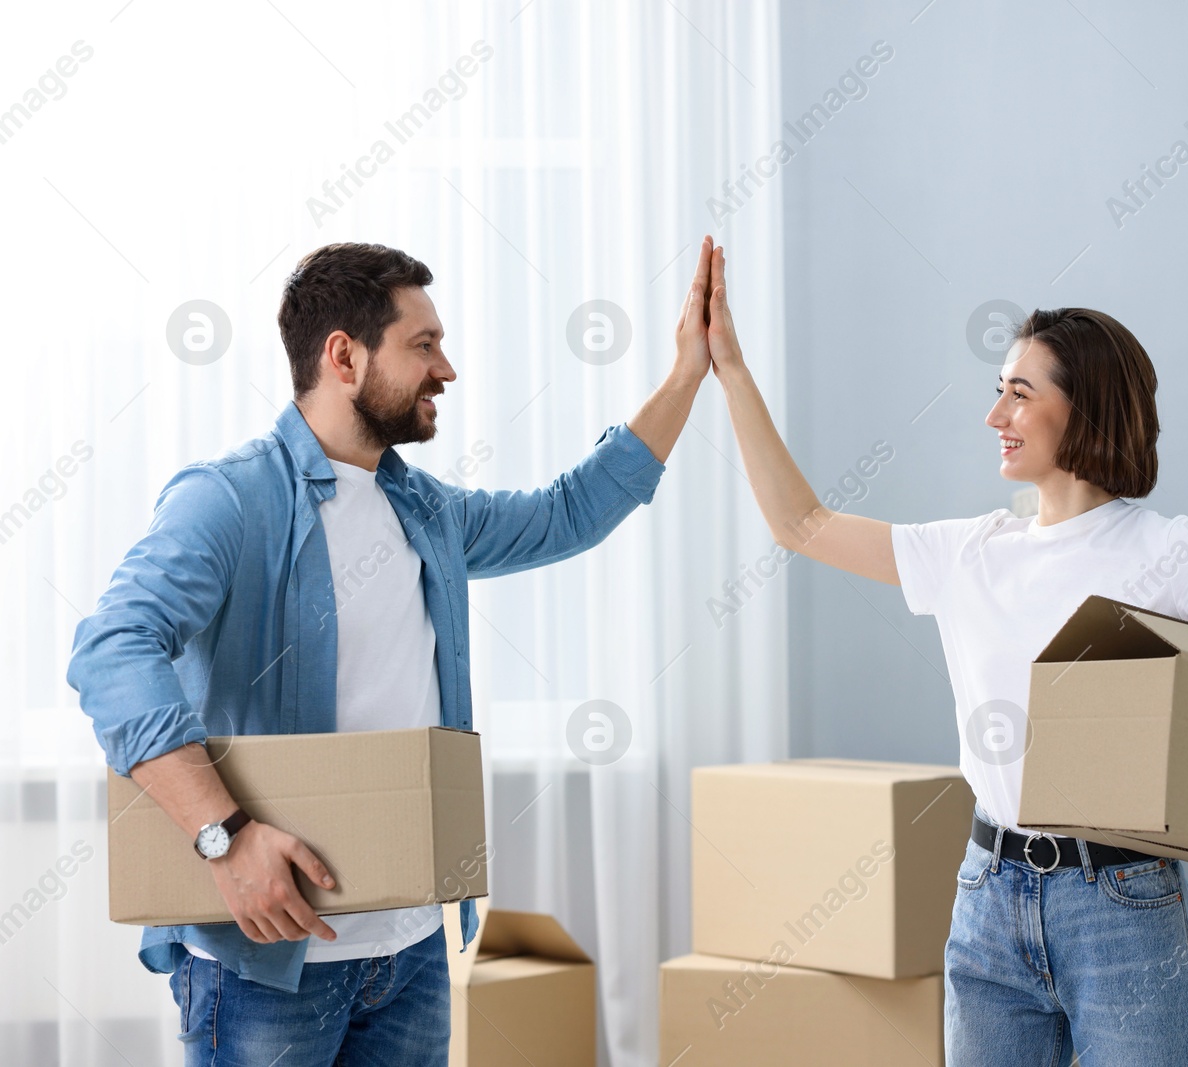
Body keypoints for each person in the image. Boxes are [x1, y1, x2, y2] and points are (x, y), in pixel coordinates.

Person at [699, 244, 1188, 1065]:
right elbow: (802, 525)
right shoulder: (968, 553)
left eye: (1019, 394)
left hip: (1121, 902)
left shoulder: (1166, 552)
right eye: (996, 392)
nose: (995, 415)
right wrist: (732, 369)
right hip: (987, 890)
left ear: (1085, 410)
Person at [66, 236, 721, 1064]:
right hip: (271, 963)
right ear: (343, 355)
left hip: (410, 950)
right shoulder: (230, 500)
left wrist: (687, 373)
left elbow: (568, 511)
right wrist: (223, 835)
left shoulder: (423, 509)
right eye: (423, 345)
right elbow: (112, 650)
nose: (445, 369)